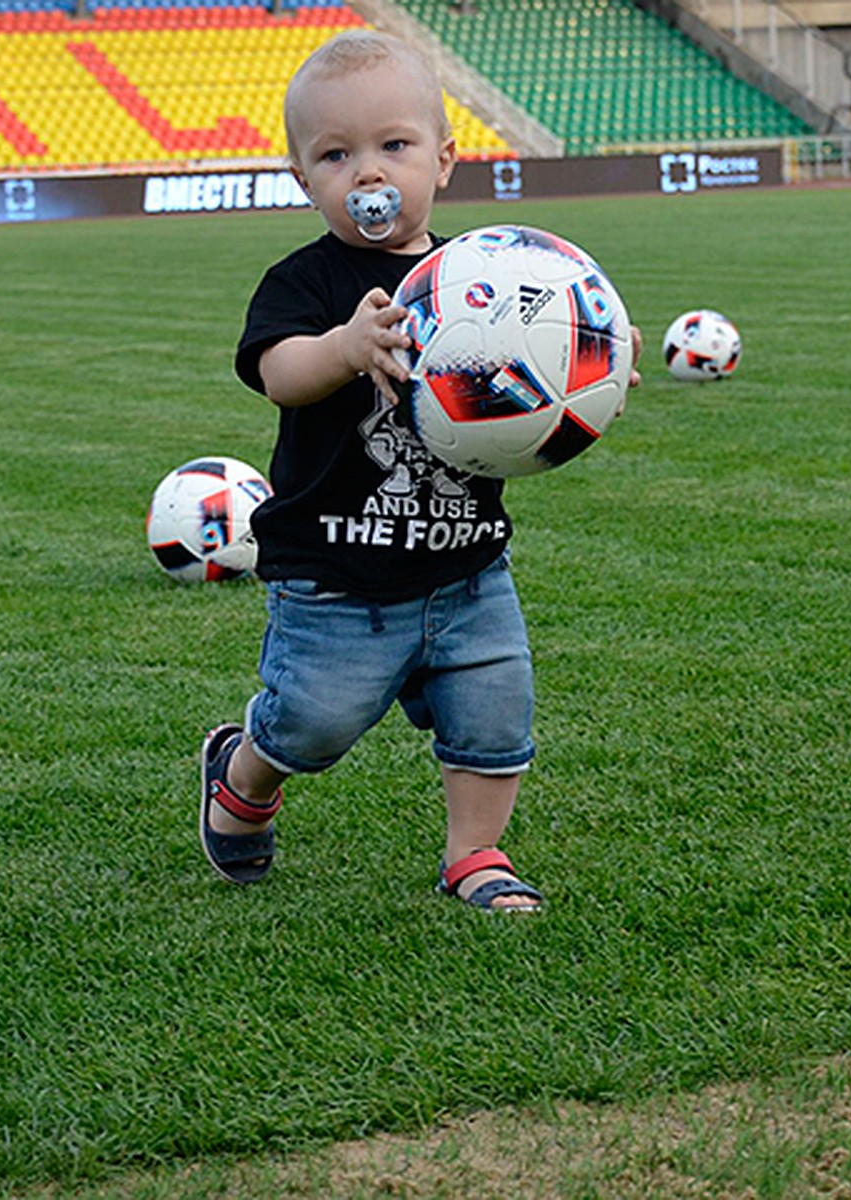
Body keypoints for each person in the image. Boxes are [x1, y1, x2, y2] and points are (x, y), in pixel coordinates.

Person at [200, 29, 638, 910]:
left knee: (496, 711)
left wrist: (587, 375)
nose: (367, 174)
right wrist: (343, 345)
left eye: (393, 146)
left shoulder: (488, 278)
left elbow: (546, 360)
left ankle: (475, 854)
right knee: (312, 725)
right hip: (333, 575)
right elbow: (278, 374)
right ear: (302, 179)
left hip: (467, 564)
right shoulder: (306, 280)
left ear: (443, 160)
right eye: (336, 155)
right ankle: (242, 777)